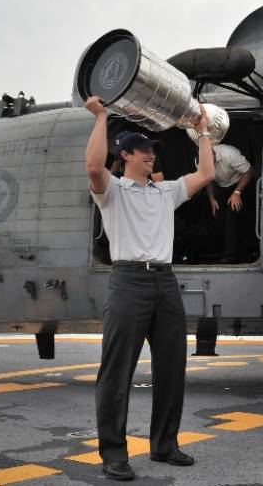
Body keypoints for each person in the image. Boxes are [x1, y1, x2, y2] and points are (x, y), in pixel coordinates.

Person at [85, 95, 214, 482]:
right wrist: (101, 117)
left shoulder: (165, 191)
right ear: (125, 155)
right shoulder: (111, 191)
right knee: (117, 371)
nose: (150, 155)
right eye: (143, 150)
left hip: (164, 280)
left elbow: (206, 174)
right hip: (128, 280)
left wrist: (203, 130)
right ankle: (113, 453)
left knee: (173, 366)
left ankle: (164, 445)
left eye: (152, 150)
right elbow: (93, 165)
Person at [205, 143, 254, 263]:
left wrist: (237, 192)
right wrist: (211, 199)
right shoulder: (200, 161)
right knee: (219, 217)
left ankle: (230, 256)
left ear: (214, 153)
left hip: (242, 183)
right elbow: (207, 179)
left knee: (232, 213)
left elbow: (250, 171)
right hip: (223, 188)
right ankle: (228, 251)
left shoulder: (229, 153)